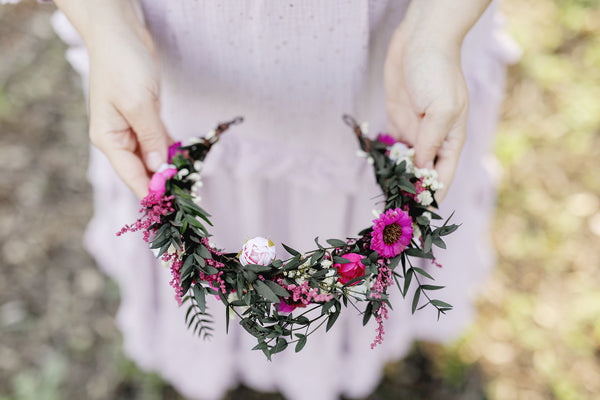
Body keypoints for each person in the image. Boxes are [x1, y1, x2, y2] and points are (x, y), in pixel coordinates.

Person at [8, 0, 519, 398]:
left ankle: (344, 351)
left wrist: (436, 29)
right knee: (187, 172)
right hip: (177, 42)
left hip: (391, 45)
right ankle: (218, 348)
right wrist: (109, 29)